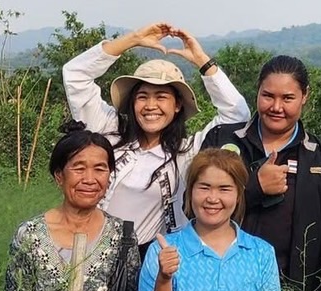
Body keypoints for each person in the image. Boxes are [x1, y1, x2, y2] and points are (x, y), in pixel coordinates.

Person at [63, 22, 250, 243]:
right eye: (143, 96)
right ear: (132, 102)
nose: (151, 105)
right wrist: (132, 39)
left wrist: (202, 61)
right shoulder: (108, 133)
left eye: (161, 96)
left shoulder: (186, 153)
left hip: (155, 258)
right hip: (95, 250)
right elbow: (75, 75)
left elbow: (236, 114)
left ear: (177, 105)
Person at [201, 55, 321, 291]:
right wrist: (254, 187)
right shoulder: (223, 141)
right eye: (268, 96)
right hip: (216, 286)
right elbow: (193, 207)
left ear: (304, 96)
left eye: (288, 98)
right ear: (257, 91)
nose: (276, 107)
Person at [4, 123, 131, 291]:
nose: (89, 179)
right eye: (79, 167)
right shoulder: (29, 234)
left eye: (100, 168)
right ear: (59, 176)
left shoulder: (123, 235)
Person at [138, 148, 283, 291]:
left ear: (238, 194)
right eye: (204, 187)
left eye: (224, 189)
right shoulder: (163, 250)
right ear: (190, 192)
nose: (212, 198)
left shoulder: (260, 253)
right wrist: (164, 279)